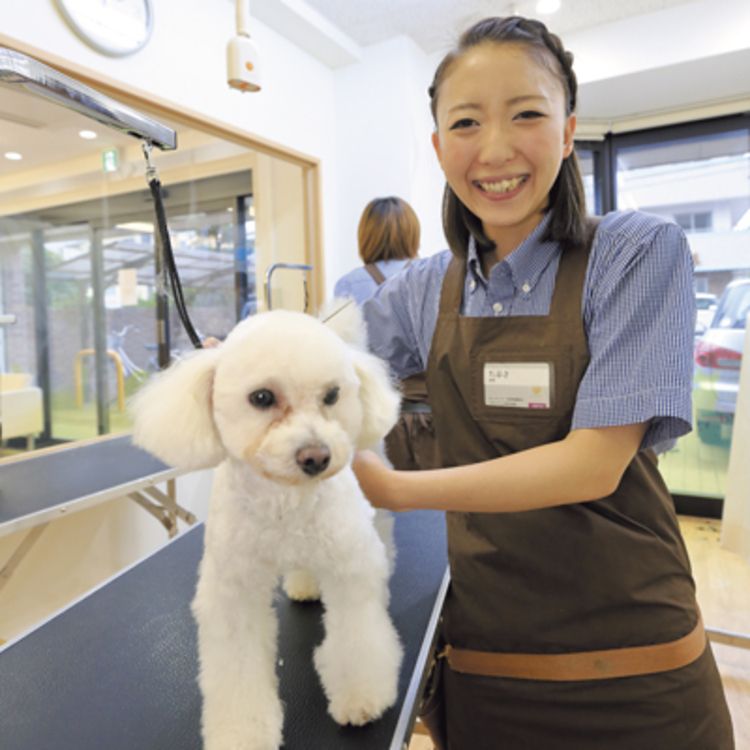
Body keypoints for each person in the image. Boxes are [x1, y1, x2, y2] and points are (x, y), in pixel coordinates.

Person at [353, 16, 734, 750]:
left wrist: (400, 490)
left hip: (637, 672)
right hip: (485, 665)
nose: (495, 149)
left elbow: (594, 462)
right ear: (439, 148)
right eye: (466, 122)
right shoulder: (420, 290)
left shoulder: (636, 252)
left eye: (527, 113)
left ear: (567, 132)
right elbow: (323, 362)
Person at [335, 196, 441, 471]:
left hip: (374, 416)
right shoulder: (435, 276)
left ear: (365, 236)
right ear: (412, 232)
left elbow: (343, 353)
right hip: (436, 415)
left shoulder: (348, 284)